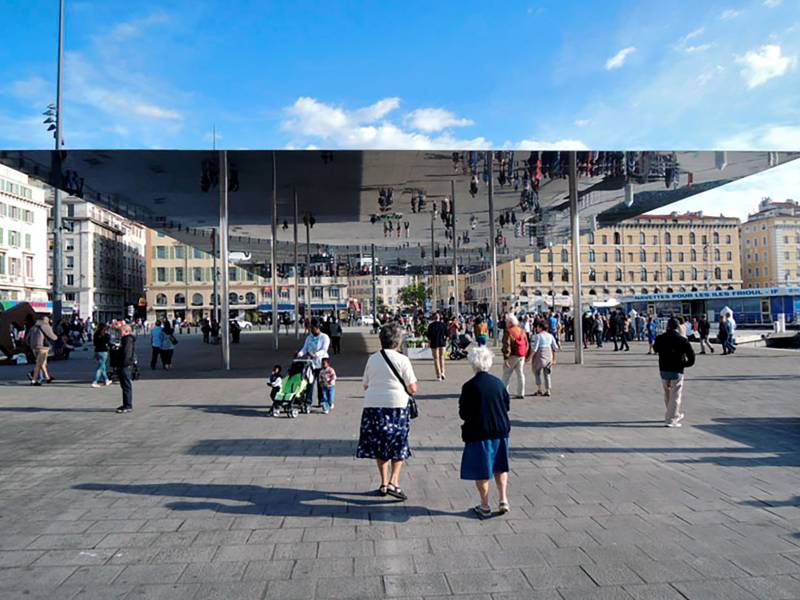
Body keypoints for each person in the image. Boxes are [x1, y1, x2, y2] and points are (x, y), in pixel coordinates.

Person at [356, 323, 417, 500]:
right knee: (398, 444)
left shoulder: (372, 359)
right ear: (397, 341)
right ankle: (394, 482)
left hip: (373, 406)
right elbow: (412, 388)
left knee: (380, 445)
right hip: (396, 406)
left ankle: (383, 483)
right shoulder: (403, 360)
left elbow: (365, 384)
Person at [459, 346, 511, 519]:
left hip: (479, 433)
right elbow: (507, 406)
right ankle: (503, 499)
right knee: (500, 466)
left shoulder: (469, 386)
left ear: (473, 364)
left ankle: (485, 504)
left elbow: (463, 413)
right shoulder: (498, 383)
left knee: (482, 471)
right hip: (501, 431)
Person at [653, 318, 696, 428]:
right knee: (675, 395)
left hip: (663, 369)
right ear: (677, 327)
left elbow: (655, 349)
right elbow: (692, 357)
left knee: (667, 393)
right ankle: (671, 419)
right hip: (676, 370)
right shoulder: (682, 340)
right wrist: (684, 364)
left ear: (667, 326)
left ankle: (672, 413)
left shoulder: (660, 338)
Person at [297, 318, 330, 407]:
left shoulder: (324, 337)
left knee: (321, 384)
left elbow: (324, 350)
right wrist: (299, 354)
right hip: (310, 363)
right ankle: (308, 401)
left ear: (318, 328)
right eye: (311, 328)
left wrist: (315, 354)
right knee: (309, 383)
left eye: (313, 328)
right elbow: (305, 348)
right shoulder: (309, 337)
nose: (311, 330)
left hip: (321, 363)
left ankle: (322, 400)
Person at [501, 314, 528, 399]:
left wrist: (506, 358)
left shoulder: (508, 332)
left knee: (506, 375)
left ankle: (504, 392)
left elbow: (507, 345)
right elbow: (527, 344)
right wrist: (524, 355)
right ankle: (521, 393)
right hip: (521, 355)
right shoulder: (522, 331)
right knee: (520, 374)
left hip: (512, 356)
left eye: (507, 322)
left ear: (509, 322)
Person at [530, 321, 557, 397]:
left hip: (540, 354)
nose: (536, 328)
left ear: (540, 328)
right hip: (549, 355)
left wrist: (529, 357)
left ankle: (539, 389)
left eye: (538, 327)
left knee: (537, 372)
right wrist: (554, 358)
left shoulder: (538, 336)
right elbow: (555, 347)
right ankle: (548, 390)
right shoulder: (550, 335)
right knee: (547, 373)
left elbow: (535, 348)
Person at [28, 315, 57, 386]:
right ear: (44, 320)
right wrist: (56, 337)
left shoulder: (33, 327)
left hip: (34, 347)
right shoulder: (45, 326)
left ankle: (47, 377)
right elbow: (53, 337)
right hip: (43, 347)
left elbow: (27, 337)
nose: (48, 321)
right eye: (47, 320)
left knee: (42, 363)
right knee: (39, 364)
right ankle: (34, 381)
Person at [116, 324, 137, 414]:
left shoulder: (128, 340)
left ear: (126, 331)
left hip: (125, 365)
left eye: (121, 331)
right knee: (124, 386)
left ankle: (128, 405)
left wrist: (124, 364)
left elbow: (127, 353)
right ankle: (126, 404)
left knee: (126, 386)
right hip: (124, 365)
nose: (120, 333)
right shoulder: (126, 339)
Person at [426, 312, 448, 381]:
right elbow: (447, 334)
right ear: (439, 317)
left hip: (434, 343)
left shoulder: (431, 325)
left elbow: (429, 336)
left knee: (436, 359)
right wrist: (445, 340)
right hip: (442, 343)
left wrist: (429, 343)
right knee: (442, 358)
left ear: (433, 318)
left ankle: (438, 375)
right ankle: (443, 373)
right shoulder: (443, 325)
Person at [91, 323, 112, 387]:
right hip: (104, 351)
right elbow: (109, 343)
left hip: (97, 351)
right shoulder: (106, 335)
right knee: (100, 367)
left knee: (103, 366)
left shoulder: (95, 334)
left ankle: (106, 380)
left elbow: (94, 343)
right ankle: (95, 381)